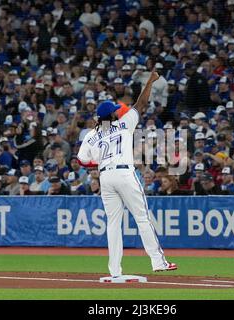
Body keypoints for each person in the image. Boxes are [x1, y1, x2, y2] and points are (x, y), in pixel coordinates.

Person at [77, 70, 177, 278]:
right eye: (114, 111)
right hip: (124, 174)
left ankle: (114, 270)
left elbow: (82, 161)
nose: (116, 112)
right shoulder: (123, 125)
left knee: (113, 224)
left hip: (105, 177)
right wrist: (149, 81)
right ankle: (158, 262)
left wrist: (102, 162)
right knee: (142, 217)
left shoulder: (91, 135)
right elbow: (141, 104)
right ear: (111, 115)